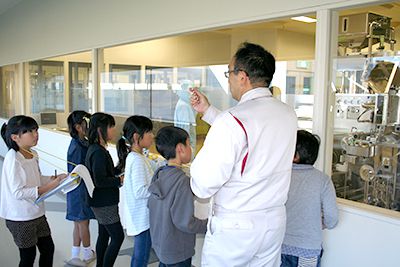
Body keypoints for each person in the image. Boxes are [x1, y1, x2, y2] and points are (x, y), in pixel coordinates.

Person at [190, 42, 298, 266]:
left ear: (242, 76)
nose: (228, 79)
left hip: (236, 227)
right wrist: (208, 111)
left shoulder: (232, 120)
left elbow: (203, 184)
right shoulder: (287, 114)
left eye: (229, 72)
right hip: (273, 222)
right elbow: (251, 133)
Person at [0, 115, 67, 267]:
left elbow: (36, 179)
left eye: (36, 130)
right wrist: (50, 186)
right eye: (30, 131)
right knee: (28, 256)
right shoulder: (13, 158)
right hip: (20, 217)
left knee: (48, 249)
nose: (36, 134)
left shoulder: (33, 153)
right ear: (15, 137)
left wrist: (54, 178)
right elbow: (18, 193)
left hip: (36, 212)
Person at [148, 126, 207, 267]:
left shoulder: (159, 174)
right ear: (180, 148)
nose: (191, 148)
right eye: (189, 144)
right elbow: (185, 222)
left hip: (162, 247)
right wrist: (208, 225)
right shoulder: (182, 182)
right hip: (178, 251)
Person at [281, 130, 339, 267]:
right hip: (308, 249)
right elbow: (332, 219)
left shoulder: (279, 176)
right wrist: (318, 224)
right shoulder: (322, 180)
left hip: (278, 246)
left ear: (295, 156)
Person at [85, 112, 124, 267]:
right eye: (111, 127)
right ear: (101, 129)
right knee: (118, 237)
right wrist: (119, 180)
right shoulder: (98, 152)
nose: (113, 130)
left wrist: (118, 168)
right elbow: (100, 180)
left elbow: (104, 172)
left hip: (101, 201)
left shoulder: (97, 149)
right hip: (104, 202)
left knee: (104, 234)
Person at [116, 115, 154, 267]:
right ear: (137, 136)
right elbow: (140, 191)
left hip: (141, 217)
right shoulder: (136, 160)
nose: (152, 136)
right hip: (142, 219)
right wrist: (160, 189)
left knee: (141, 256)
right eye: (149, 132)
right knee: (141, 257)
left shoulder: (138, 156)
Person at [65, 110, 96, 266]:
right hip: (79, 190)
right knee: (83, 223)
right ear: (78, 127)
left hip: (76, 190)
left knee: (78, 223)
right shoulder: (78, 146)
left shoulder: (79, 143)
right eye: (87, 124)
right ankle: (87, 252)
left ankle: (75, 253)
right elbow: (79, 172)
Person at [174, 80, 197, 152]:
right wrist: (186, 146)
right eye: (190, 90)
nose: (192, 93)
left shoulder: (185, 104)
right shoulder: (183, 106)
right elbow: (185, 129)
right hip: (186, 144)